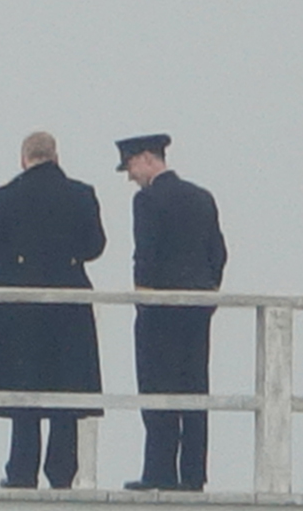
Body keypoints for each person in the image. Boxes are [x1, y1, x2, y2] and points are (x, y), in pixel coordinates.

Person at [0, 130, 106, 489]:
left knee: (23, 390)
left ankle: (21, 472)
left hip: (20, 310)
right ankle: (62, 474)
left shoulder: (9, 194)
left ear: (23, 158)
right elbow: (95, 245)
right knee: (66, 389)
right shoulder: (81, 194)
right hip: (68, 307)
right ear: (56, 157)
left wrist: (14, 259)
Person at [117, 133, 226, 492]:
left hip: (159, 311)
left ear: (148, 158)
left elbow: (145, 255)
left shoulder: (146, 201)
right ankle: (193, 474)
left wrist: (143, 297)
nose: (130, 175)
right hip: (197, 309)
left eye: (131, 164)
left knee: (157, 389)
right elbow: (218, 253)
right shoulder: (202, 197)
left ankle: (160, 471)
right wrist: (209, 292)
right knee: (195, 388)